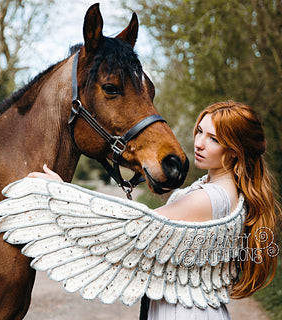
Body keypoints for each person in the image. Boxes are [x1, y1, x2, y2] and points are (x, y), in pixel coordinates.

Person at [27, 100, 279, 320]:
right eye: (200, 131)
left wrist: (63, 194)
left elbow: (134, 228)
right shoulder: (222, 188)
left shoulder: (209, 197)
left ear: (235, 150)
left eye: (213, 139)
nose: (199, 143)